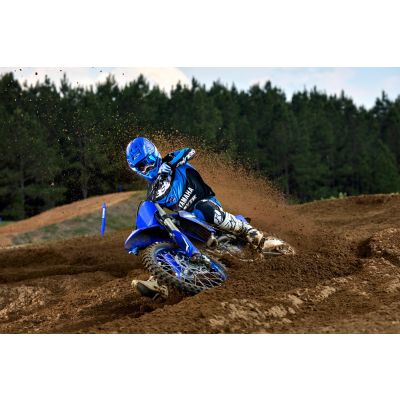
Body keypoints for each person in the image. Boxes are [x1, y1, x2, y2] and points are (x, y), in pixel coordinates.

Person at [126, 137, 266, 299]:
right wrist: (140, 238)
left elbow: (190, 151)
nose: (147, 167)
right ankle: (160, 282)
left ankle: (249, 231)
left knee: (202, 209)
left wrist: (169, 165)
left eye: (149, 161)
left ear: (155, 154)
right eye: (141, 167)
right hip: (188, 219)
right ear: (137, 170)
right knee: (170, 236)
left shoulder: (171, 159)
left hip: (205, 203)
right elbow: (152, 213)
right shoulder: (152, 192)